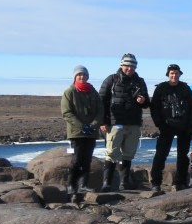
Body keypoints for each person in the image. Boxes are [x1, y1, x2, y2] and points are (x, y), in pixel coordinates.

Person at [98, 53, 150, 191]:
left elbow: (147, 103)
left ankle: (124, 183)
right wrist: (103, 121)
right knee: (111, 153)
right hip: (115, 123)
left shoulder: (140, 81)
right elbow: (101, 100)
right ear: (122, 65)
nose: (129, 68)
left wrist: (143, 101)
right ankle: (107, 184)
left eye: (132, 66)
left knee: (128, 153)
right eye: (127, 65)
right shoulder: (111, 80)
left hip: (133, 122)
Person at [150, 64, 192, 192]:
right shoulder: (161, 88)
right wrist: (159, 124)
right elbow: (154, 107)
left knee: (183, 156)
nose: (174, 75)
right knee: (161, 155)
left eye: (176, 73)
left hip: (183, 126)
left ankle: (181, 182)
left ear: (180, 74)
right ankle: (156, 183)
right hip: (166, 126)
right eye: (171, 73)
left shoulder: (185, 88)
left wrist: (191, 125)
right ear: (168, 74)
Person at [61, 65, 103, 198]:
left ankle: (83, 185)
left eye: (84, 75)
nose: (82, 77)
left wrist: (93, 125)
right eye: (79, 75)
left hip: (91, 133)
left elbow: (100, 110)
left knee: (87, 160)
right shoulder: (69, 92)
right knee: (76, 160)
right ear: (75, 77)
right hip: (76, 133)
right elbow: (66, 113)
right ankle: (71, 185)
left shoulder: (93, 92)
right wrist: (81, 126)